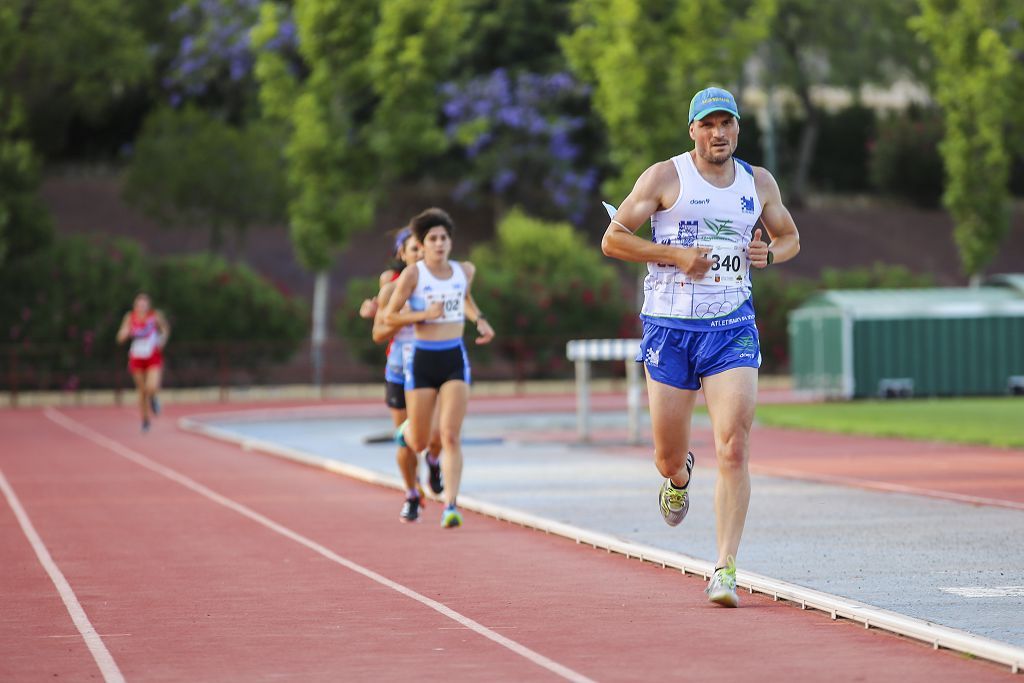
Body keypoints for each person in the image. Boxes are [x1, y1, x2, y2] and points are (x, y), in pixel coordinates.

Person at [600, 87, 800, 607]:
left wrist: (769, 254)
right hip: (669, 328)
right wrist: (674, 255)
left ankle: (725, 569)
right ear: (692, 130)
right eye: (708, 125)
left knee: (734, 445)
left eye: (727, 124)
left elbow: (790, 237)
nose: (719, 134)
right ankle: (679, 475)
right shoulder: (665, 177)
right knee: (667, 456)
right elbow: (614, 238)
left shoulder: (758, 182)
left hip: (732, 326)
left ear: (738, 129)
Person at [384, 208, 495, 528]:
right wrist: (422, 315)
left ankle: (451, 505)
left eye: (444, 238)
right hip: (422, 360)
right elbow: (390, 317)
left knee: (450, 434)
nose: (439, 243)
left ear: (450, 241)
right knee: (418, 441)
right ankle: (415, 442)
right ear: (422, 243)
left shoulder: (465, 270)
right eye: (432, 238)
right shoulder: (413, 276)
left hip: (453, 359)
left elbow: (464, 298)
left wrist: (480, 320)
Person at [369, 228, 443, 523]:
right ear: (402, 254)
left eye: (422, 249)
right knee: (407, 439)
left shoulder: (442, 283)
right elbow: (378, 332)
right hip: (400, 369)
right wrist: (413, 318)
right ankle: (412, 493)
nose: (419, 254)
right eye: (413, 249)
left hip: (433, 365)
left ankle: (435, 461)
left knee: (435, 435)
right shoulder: (391, 288)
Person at [116, 293, 171, 433]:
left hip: (152, 355)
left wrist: (162, 340)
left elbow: (165, 329)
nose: (142, 307)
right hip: (137, 356)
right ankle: (145, 420)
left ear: (148, 305)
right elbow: (120, 336)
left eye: (144, 304)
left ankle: (153, 398)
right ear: (135, 305)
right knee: (141, 391)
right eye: (139, 304)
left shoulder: (154, 316)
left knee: (151, 386)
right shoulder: (130, 317)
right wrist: (124, 333)